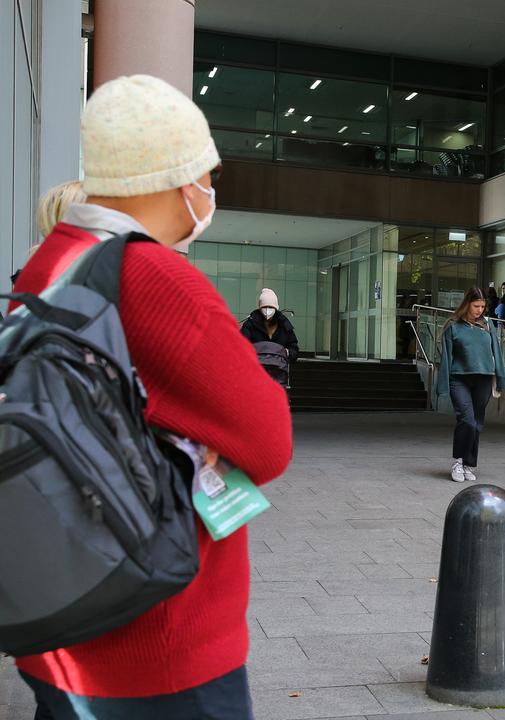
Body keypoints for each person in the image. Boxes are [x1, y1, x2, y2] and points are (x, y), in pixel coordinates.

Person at [11, 74, 292, 718]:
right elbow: (270, 440)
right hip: (160, 644)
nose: (209, 192)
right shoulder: (160, 279)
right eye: (207, 175)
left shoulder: (51, 261)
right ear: (176, 179)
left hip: (60, 622)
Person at [435, 287, 505, 483]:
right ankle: (458, 461)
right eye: (476, 306)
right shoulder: (453, 326)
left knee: (477, 423)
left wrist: (501, 378)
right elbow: (446, 358)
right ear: (467, 303)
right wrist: (442, 385)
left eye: (483, 306)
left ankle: (468, 463)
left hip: (483, 378)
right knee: (466, 419)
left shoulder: (488, 325)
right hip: (459, 379)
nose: (480, 310)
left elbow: (497, 354)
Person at [240, 287, 301, 362]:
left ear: (276, 308)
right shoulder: (250, 324)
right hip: (257, 368)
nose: (267, 310)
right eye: (264, 307)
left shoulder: (284, 325)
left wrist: (287, 353)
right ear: (260, 307)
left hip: (279, 369)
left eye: (271, 307)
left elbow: (293, 347)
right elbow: (241, 346)